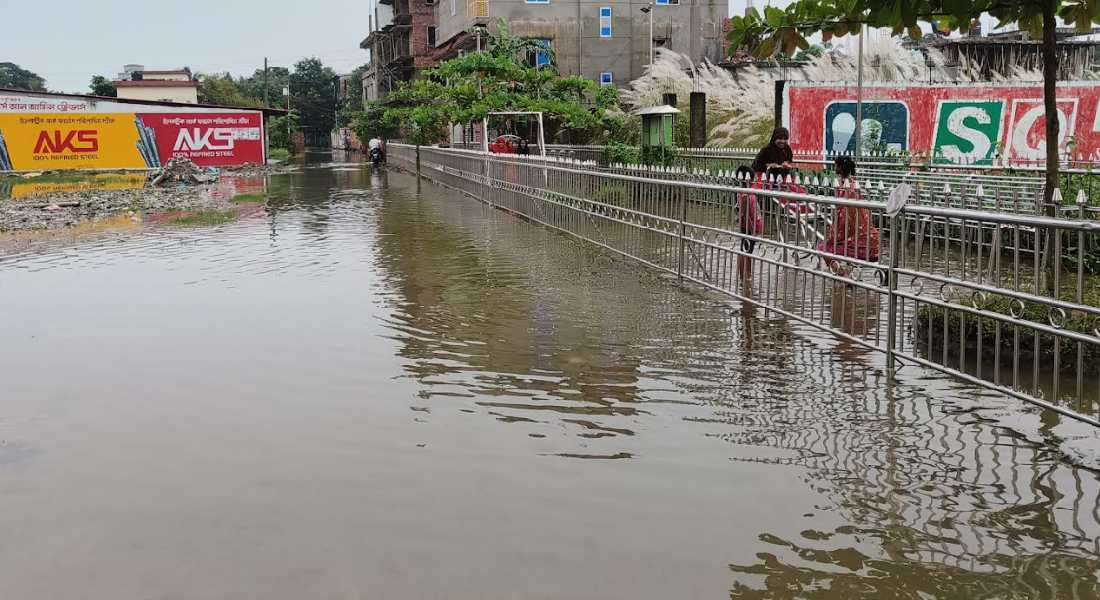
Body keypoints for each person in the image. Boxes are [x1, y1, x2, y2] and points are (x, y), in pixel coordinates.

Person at [817, 156, 880, 277]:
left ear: (839, 167)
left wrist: (832, 238)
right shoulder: (854, 185)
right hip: (869, 241)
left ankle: (843, 274)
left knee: (822, 247)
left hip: (857, 244)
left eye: (836, 165)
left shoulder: (846, 188)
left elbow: (844, 221)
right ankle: (848, 273)